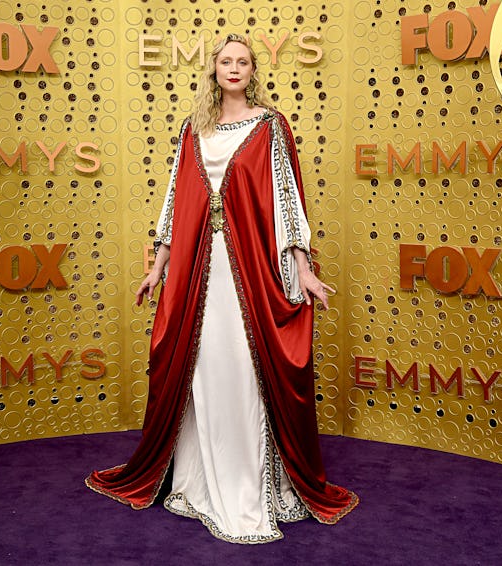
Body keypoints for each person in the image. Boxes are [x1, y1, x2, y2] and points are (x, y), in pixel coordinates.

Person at [86, 34, 357, 543]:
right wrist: (158, 266)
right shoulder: (195, 128)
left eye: (243, 62)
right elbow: (176, 199)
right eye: (226, 61)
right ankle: (195, 478)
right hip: (196, 271)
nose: (234, 68)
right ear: (214, 69)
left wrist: (303, 267)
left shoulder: (270, 125)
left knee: (241, 365)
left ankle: (247, 483)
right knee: (202, 367)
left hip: (247, 272)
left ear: (253, 71)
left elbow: (286, 200)